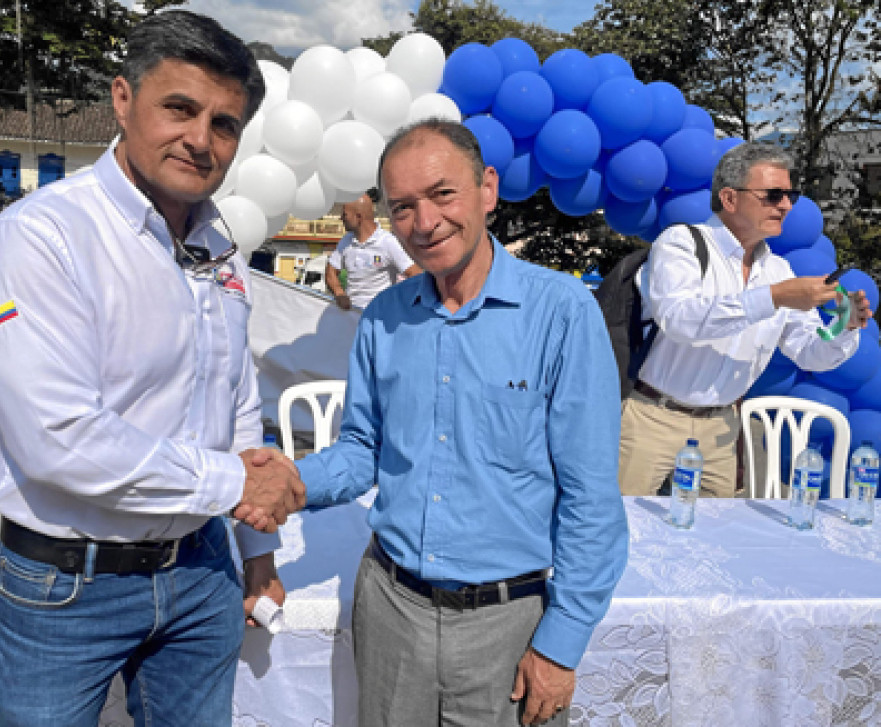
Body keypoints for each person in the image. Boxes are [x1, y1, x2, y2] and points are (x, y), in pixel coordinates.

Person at [0, 11, 303, 727]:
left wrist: (257, 549)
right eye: (179, 108)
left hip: (200, 568)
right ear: (122, 98)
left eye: (225, 123)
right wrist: (240, 481)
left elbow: (234, 399)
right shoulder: (41, 237)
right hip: (64, 583)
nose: (200, 139)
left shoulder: (216, 247)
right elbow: (58, 439)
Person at [262, 119, 628, 726]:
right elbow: (361, 449)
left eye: (442, 194)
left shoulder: (561, 313)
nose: (424, 222)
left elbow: (590, 498)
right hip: (390, 610)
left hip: (509, 622)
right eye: (403, 207)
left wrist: (560, 645)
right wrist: (293, 483)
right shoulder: (382, 318)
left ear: (487, 188)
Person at [619, 141, 873, 498]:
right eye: (772, 194)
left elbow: (809, 353)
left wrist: (845, 328)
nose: (785, 205)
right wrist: (774, 297)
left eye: (790, 195)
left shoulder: (778, 270)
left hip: (722, 430)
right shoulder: (682, 243)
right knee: (619, 535)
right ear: (729, 198)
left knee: (714, 546)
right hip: (652, 419)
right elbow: (680, 319)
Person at [325, 191, 421, 309]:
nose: (341, 218)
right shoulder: (346, 241)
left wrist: (402, 305)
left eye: (345, 215)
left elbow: (415, 274)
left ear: (358, 217)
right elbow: (330, 272)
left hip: (380, 318)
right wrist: (339, 294)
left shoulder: (388, 242)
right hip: (352, 316)